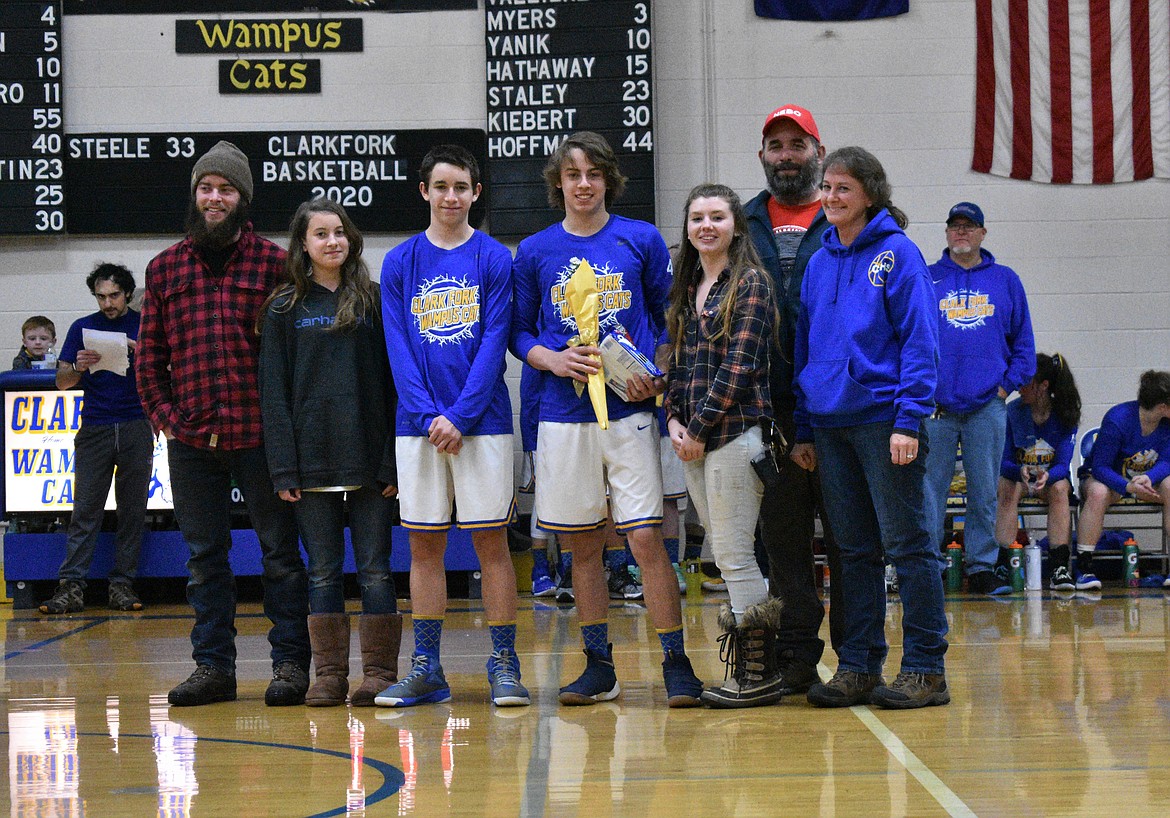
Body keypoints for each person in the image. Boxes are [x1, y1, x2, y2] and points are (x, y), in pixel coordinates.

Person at [511, 131, 703, 708]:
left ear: (608, 180)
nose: (584, 184)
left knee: (646, 537)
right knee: (583, 546)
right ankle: (600, 666)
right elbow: (519, 332)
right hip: (563, 414)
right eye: (573, 175)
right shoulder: (535, 250)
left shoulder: (640, 239)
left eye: (594, 173)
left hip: (630, 412)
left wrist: (660, 372)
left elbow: (670, 319)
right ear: (559, 183)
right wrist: (551, 357)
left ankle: (676, 663)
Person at [136, 140, 311, 707]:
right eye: (206, 188)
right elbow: (149, 355)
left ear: (243, 198)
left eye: (226, 189)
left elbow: (293, 356)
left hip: (261, 438)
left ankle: (289, 664)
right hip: (191, 440)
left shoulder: (274, 263)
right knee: (204, 558)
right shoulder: (164, 268)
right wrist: (166, 416)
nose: (215, 198)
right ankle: (214, 668)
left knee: (281, 556)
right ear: (195, 194)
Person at [793, 146, 949, 710]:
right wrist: (806, 427)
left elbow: (921, 343)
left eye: (843, 189)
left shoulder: (898, 254)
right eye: (827, 188)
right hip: (831, 427)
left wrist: (909, 419)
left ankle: (927, 668)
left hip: (886, 423)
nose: (832, 198)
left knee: (909, 546)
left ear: (870, 195)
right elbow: (805, 347)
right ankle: (858, 666)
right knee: (853, 551)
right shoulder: (818, 261)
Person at [377, 144, 528, 708]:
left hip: (481, 424)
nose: (451, 197)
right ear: (424, 191)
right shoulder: (400, 262)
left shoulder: (494, 258)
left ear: (476, 194)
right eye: (441, 186)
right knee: (424, 547)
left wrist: (459, 417)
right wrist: (427, 417)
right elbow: (398, 346)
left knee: (491, 544)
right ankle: (427, 667)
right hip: (417, 427)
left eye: (461, 187)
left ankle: (503, 663)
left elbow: (495, 344)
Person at [258, 198, 402, 707]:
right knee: (321, 573)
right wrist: (283, 466)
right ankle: (329, 675)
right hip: (310, 464)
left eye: (339, 232)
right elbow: (272, 394)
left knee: (376, 571)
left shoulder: (376, 302)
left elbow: (394, 387)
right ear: (303, 244)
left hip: (369, 462)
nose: (333, 241)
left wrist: (392, 461)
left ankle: (380, 673)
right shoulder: (282, 310)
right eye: (321, 234)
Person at [664, 183, 783, 707]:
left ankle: (758, 674)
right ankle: (752, 671)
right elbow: (678, 364)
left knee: (735, 555)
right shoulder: (687, 284)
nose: (706, 226)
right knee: (726, 553)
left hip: (735, 437)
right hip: (693, 440)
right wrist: (672, 419)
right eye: (696, 218)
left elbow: (740, 368)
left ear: (736, 224)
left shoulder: (751, 283)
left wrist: (698, 429)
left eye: (716, 216)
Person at [744, 104, 843, 693]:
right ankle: (798, 659)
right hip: (766, 411)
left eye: (796, 145)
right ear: (763, 156)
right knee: (782, 548)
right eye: (775, 146)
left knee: (849, 543)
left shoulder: (846, 216)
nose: (786, 156)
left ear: (817, 151)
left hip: (836, 411)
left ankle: (855, 658)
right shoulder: (742, 219)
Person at [923, 202, 1035, 595]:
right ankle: (930, 567)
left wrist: (1005, 388)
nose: (961, 232)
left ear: (983, 233)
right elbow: (910, 338)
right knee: (929, 489)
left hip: (988, 404)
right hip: (935, 407)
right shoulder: (928, 278)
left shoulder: (1005, 281)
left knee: (985, 490)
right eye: (954, 226)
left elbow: (1024, 346)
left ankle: (982, 566)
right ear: (947, 232)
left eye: (969, 226)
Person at [38, 264, 152, 615]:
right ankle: (71, 587)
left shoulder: (145, 326)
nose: (107, 303)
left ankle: (122, 584)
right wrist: (79, 367)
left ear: (128, 294)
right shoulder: (81, 327)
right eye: (101, 296)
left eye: (114, 295)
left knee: (132, 511)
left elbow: (166, 371)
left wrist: (141, 352)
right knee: (85, 510)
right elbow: (62, 382)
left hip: (135, 424)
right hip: (96, 426)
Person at [1076, 370, 1170, 589]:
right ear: (1163, 407)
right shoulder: (1118, 418)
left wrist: (1148, 477)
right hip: (1110, 479)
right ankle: (1084, 567)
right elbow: (1099, 467)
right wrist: (1128, 486)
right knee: (1098, 493)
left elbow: (1167, 461)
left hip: (1144, 482)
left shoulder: (1166, 424)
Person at [995, 353, 1081, 591]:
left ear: (1043, 386)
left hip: (1048, 480)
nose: (1020, 388)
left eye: (1026, 382)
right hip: (1019, 477)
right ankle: (1004, 562)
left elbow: (1063, 464)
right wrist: (1019, 470)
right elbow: (1002, 462)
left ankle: (1059, 567)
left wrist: (1048, 476)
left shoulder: (1065, 415)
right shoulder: (1012, 412)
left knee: (1061, 488)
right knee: (1006, 487)